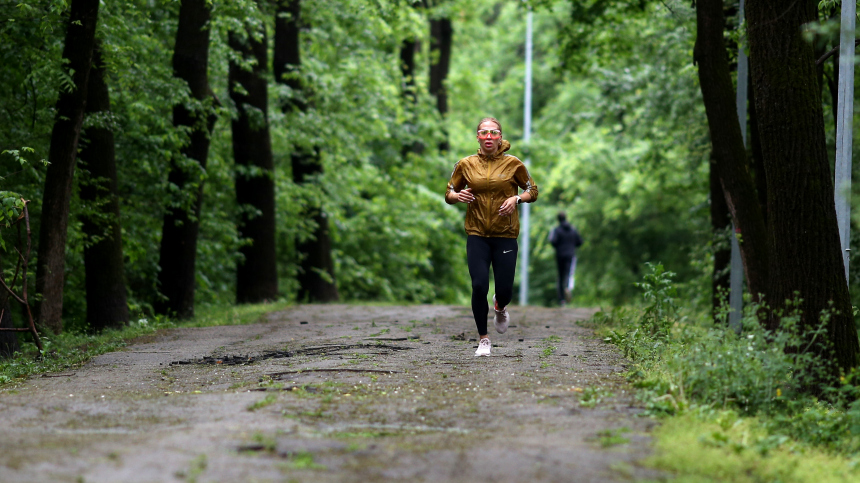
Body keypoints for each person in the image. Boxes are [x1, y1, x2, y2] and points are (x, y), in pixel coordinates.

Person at [445, 117, 539, 356]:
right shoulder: (465, 164)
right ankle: (483, 339)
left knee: (505, 290)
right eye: (483, 132)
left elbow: (533, 190)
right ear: (478, 137)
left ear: (500, 137)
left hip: (505, 235)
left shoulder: (514, 164)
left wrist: (516, 198)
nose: (488, 137)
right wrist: (458, 197)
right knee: (478, 285)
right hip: (477, 233)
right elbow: (449, 192)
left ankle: (500, 305)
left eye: (493, 133)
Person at [548, 212, 583, 306]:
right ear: (566, 218)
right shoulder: (573, 230)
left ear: (558, 219)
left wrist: (559, 246)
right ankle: (567, 287)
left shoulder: (557, 230)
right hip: (570, 255)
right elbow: (580, 242)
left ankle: (561, 300)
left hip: (560, 255)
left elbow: (553, 241)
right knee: (568, 273)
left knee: (560, 275)